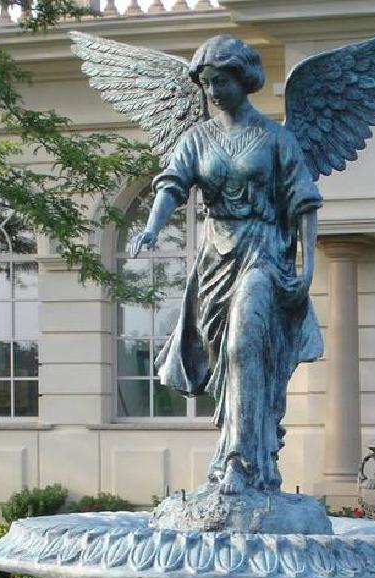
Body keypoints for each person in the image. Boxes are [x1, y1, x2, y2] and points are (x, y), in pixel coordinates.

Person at [130, 35, 323, 496]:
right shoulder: (197, 139)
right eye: (207, 83)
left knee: (243, 344)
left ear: (243, 78)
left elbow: (304, 203)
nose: (213, 91)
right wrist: (153, 228)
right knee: (228, 360)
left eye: (221, 80)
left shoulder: (276, 138)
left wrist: (308, 266)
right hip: (216, 259)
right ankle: (245, 455)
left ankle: (241, 459)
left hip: (264, 253)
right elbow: (172, 185)